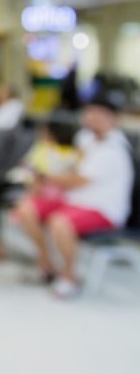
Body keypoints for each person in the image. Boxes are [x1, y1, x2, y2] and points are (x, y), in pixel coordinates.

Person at [12, 95, 135, 299]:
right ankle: (46, 266)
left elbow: (77, 179)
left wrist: (43, 176)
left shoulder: (114, 150)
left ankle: (69, 277)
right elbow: (72, 166)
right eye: (89, 112)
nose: (92, 117)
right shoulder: (86, 138)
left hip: (102, 209)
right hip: (74, 200)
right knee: (26, 207)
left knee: (60, 222)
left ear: (112, 118)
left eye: (99, 114)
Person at [0, 117, 80, 259]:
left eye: (45, 131)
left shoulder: (67, 154)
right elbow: (27, 162)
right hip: (26, 178)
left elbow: (53, 174)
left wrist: (36, 176)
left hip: (42, 187)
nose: (42, 133)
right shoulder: (42, 146)